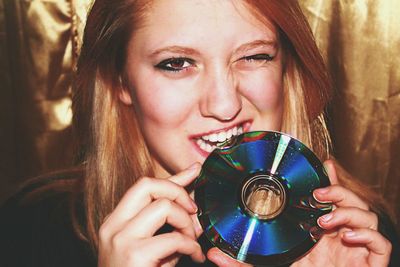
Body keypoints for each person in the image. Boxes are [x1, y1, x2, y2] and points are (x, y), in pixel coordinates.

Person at [1, 0, 399, 266]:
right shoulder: (32, 231)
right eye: (176, 63)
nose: (225, 105)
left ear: (286, 68)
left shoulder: (359, 237)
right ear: (120, 81)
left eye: (255, 56)